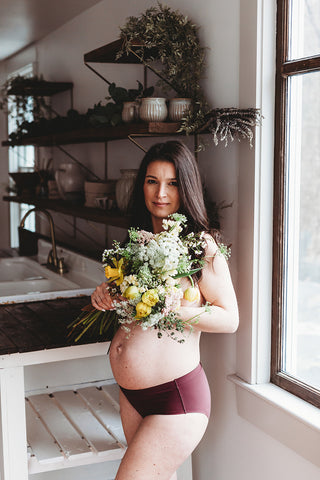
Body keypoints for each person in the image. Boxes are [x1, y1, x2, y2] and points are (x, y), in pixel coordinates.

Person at [91, 140, 239, 480]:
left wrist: (172, 311)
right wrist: (106, 295)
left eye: (172, 183)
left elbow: (229, 318)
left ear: (185, 187)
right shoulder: (138, 243)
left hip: (176, 398)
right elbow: (135, 310)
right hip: (132, 395)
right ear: (141, 184)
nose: (161, 192)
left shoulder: (202, 245)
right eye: (152, 181)